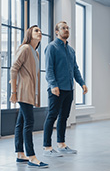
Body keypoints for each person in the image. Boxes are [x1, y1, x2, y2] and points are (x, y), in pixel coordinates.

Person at [43, 21, 88, 157]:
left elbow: (75, 69)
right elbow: (49, 69)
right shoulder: (51, 47)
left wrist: (82, 83)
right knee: (52, 116)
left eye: (67, 28)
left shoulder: (71, 50)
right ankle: (47, 147)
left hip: (69, 89)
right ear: (57, 32)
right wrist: (53, 85)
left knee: (64, 117)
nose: (66, 30)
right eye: (63, 28)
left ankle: (61, 144)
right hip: (56, 89)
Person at [10, 25, 48, 168]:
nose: (40, 32)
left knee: (21, 122)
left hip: (30, 92)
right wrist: (13, 92)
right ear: (29, 34)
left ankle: (20, 154)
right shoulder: (25, 48)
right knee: (29, 122)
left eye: (40, 31)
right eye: (36, 30)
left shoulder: (35, 53)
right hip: (23, 91)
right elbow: (14, 69)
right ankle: (32, 156)